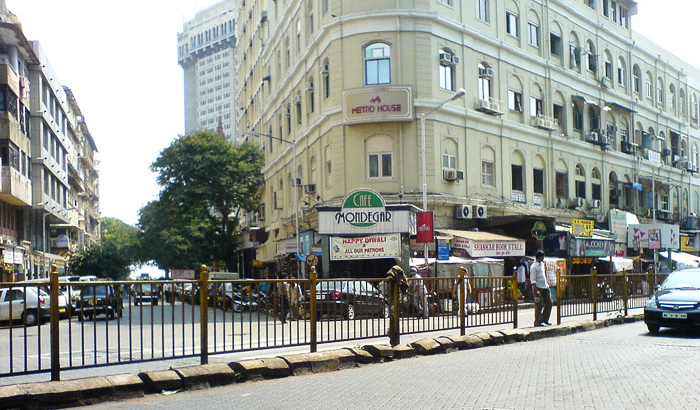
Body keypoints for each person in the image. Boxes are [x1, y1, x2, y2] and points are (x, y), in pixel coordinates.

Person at [530, 250, 552, 327]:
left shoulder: (542, 264)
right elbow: (533, 280)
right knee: (539, 305)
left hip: (545, 286)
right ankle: (537, 322)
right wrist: (536, 290)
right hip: (538, 287)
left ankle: (545, 319)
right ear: (539, 257)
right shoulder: (534, 267)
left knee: (549, 303)